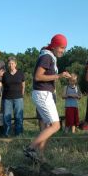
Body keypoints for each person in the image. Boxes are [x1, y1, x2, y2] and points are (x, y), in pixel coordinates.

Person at [24, 34, 71, 162]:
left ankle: (40, 155)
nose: (63, 50)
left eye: (64, 48)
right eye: (61, 47)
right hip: (42, 93)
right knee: (56, 126)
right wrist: (59, 76)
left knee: (49, 125)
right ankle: (31, 148)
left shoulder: (49, 56)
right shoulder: (46, 57)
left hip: (44, 93)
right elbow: (38, 76)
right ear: (55, 46)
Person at [2, 57, 25, 136]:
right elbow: (3, 86)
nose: (11, 65)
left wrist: (22, 94)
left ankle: (18, 133)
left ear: (15, 64)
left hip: (18, 97)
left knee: (18, 116)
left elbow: (23, 85)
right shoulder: (5, 74)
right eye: (9, 63)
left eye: (12, 63)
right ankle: (6, 133)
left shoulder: (20, 73)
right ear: (8, 65)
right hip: (7, 98)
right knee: (6, 116)